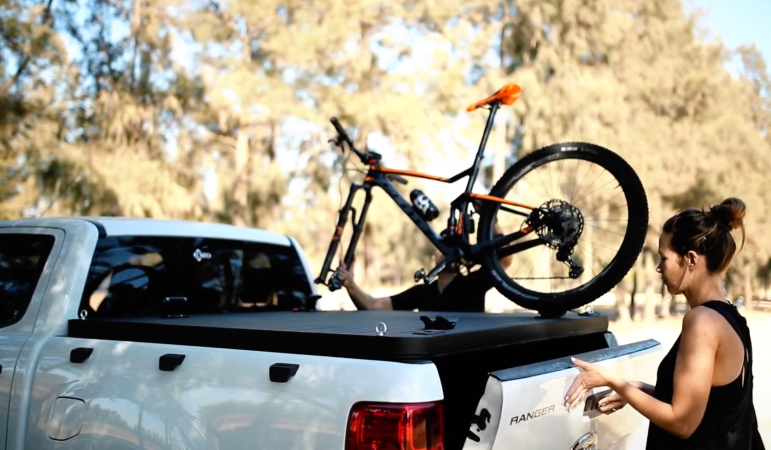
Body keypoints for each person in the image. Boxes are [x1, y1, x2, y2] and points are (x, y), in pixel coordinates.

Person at [564, 198, 765, 450]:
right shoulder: (732, 319)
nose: (659, 268)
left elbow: (682, 422)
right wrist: (636, 389)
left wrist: (614, 381)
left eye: (664, 258)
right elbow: (713, 406)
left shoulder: (702, 321)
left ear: (690, 259)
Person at [335, 222, 513, 312]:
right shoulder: (422, 293)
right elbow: (374, 306)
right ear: (433, 257)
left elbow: (504, 260)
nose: (447, 251)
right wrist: (350, 283)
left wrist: (491, 220)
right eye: (443, 247)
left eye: (453, 247)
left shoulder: (473, 283)